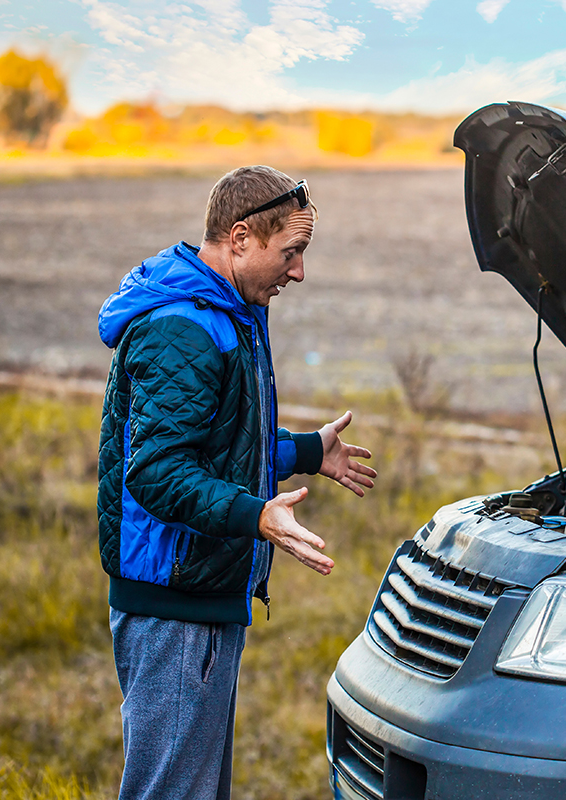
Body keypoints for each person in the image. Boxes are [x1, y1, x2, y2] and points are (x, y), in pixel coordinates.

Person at [95, 165, 376, 800]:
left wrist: (307, 451)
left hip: (201, 595)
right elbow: (159, 472)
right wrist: (256, 516)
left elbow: (219, 445)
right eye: (292, 252)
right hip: (175, 604)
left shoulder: (226, 314)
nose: (298, 272)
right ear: (241, 237)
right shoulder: (183, 327)